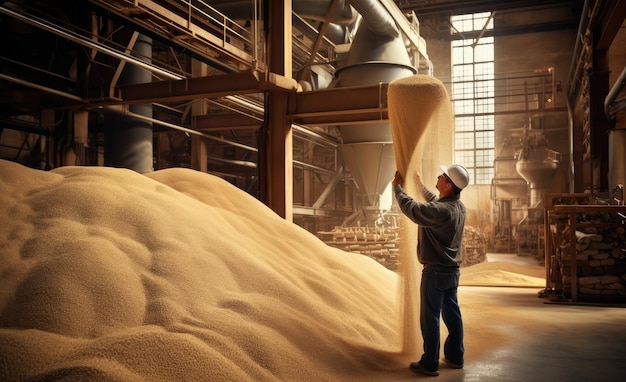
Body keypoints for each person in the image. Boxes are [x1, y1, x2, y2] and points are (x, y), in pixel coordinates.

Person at [392, 164, 469, 377]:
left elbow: (415, 210)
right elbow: (435, 202)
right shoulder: (458, 207)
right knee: (453, 315)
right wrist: (419, 184)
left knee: (430, 318)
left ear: (449, 185)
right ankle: (455, 356)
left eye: (442, 176)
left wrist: (398, 189)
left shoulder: (441, 211)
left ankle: (430, 363)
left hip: (435, 273)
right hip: (452, 272)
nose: (439, 176)